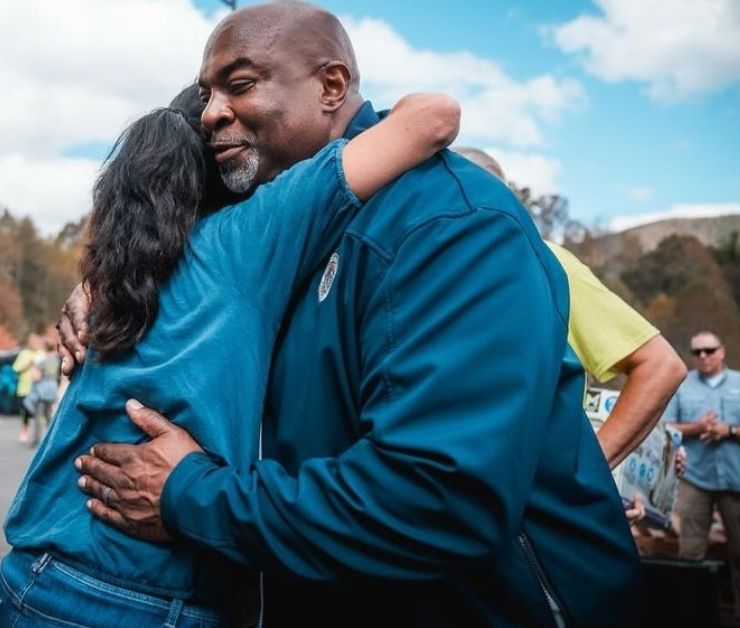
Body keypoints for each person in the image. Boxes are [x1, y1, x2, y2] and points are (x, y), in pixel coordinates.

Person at [65, 3, 642, 625]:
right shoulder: (274, 235)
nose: (211, 113)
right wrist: (102, 284)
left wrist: (189, 495)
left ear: (331, 86)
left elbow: (437, 499)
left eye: (240, 84)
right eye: (206, 94)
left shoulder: (446, 224)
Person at [0, 79, 461, 627]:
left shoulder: (123, 272)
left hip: (31, 578)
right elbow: (433, 117)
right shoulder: (249, 236)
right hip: (141, 598)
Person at [457, 146, 688, 521]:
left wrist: (584, 478)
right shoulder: (413, 268)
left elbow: (660, 365)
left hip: (520, 518)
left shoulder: (546, 264)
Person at [664, 331, 740, 627]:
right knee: (689, 554)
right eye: (696, 352)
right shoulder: (682, 383)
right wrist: (698, 427)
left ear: (722, 352)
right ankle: (690, 617)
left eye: (709, 350)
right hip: (695, 479)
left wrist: (730, 431)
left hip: (738, 481)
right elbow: (667, 426)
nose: (703, 356)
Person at [11, 333, 46, 443]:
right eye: (33, 342)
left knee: (40, 412)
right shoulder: (24, 353)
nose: (35, 344)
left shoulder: (42, 354)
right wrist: (28, 364)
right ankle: (24, 431)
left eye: (37, 342)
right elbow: (16, 368)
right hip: (25, 387)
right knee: (25, 412)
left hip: (40, 388)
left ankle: (39, 434)